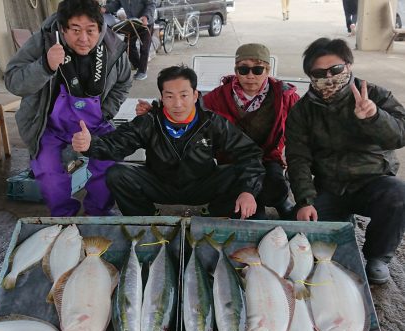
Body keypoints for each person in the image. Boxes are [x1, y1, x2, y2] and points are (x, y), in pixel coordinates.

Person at [72, 65, 266, 219]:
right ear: (162, 98)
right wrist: (90, 145)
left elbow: (249, 153)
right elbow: (118, 144)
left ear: (195, 95)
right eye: (170, 96)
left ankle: (215, 213)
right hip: (159, 184)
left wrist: (248, 191)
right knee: (117, 173)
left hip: (202, 184)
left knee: (237, 174)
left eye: (184, 95)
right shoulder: (149, 121)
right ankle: (146, 218)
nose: (178, 104)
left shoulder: (212, 122)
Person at [285, 37, 405, 284]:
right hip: (329, 185)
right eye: (319, 73)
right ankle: (339, 222)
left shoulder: (375, 95)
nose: (328, 77)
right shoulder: (302, 111)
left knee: (398, 195)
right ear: (310, 76)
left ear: (348, 66)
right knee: (307, 245)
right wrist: (305, 200)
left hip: (372, 180)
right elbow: (298, 158)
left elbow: (400, 136)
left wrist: (374, 116)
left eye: (335, 69)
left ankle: (377, 257)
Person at [137, 43, 300, 219]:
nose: (250, 76)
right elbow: (189, 108)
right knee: (252, 214)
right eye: (243, 70)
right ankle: (232, 206)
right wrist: (155, 112)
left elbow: (302, 127)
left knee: (276, 187)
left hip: (268, 157)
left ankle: (282, 202)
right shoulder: (218, 96)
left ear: (267, 71)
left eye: (258, 70)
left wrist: (292, 157)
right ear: (236, 71)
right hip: (232, 159)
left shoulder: (285, 96)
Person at [4, 0, 132, 217]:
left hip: (95, 123)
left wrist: (106, 112)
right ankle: (64, 218)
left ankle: (98, 213)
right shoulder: (43, 42)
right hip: (49, 125)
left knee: (110, 162)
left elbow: (124, 82)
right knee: (47, 170)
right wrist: (45, 66)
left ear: (100, 28)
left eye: (91, 30)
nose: (84, 39)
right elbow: (12, 80)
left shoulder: (113, 47)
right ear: (63, 29)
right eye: (75, 30)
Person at [103, 0, 156, 81]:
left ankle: (142, 71)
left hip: (146, 22)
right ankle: (138, 65)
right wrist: (105, 8)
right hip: (132, 22)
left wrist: (146, 16)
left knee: (144, 48)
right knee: (128, 45)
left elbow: (151, 4)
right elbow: (115, 4)